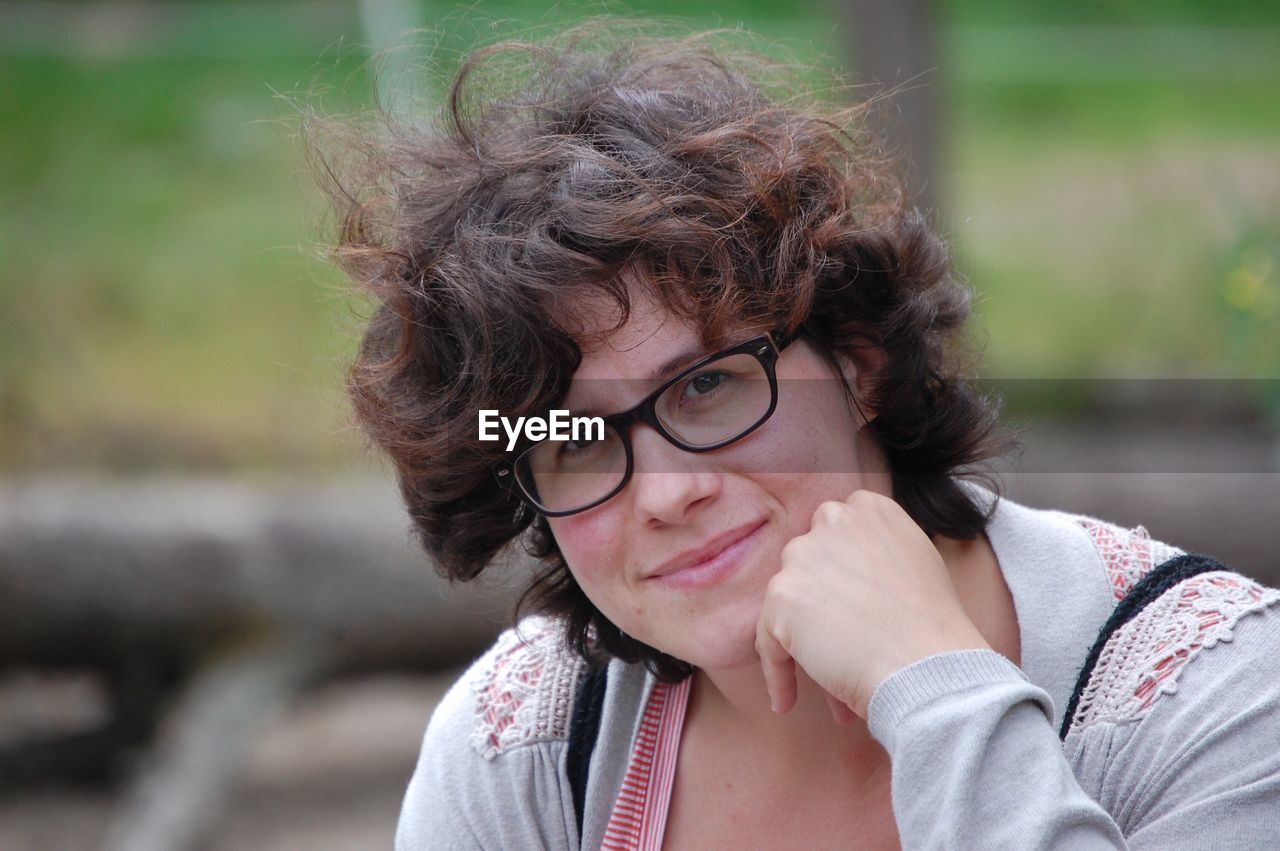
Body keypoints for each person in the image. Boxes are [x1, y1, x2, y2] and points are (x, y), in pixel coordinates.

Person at [312, 21, 1280, 850]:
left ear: (857, 362)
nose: (663, 490)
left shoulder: (1210, 695)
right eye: (573, 440)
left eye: (704, 387)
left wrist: (935, 691)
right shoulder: (522, 749)